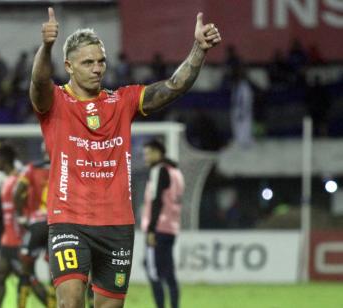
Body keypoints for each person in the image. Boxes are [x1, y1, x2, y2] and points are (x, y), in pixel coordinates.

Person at [30, 7, 221, 307]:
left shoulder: (123, 101)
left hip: (117, 225)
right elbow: (39, 84)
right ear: (68, 66)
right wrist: (47, 47)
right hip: (69, 220)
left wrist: (199, 49)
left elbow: (173, 86)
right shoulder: (55, 102)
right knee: (69, 302)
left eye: (101, 61)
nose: (97, 68)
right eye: (88, 62)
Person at [140, 140, 184, 308]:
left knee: (153, 271)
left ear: (158, 153)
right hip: (171, 228)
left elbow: (156, 200)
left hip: (158, 228)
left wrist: (151, 230)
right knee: (169, 273)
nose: (146, 157)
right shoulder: (176, 172)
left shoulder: (158, 171)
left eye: (148, 153)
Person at [13, 143, 56, 308]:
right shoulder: (65, 166)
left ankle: (22, 303)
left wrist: (21, 217)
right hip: (57, 225)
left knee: (25, 270)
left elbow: (18, 192)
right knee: (56, 274)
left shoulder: (31, 168)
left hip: (37, 223)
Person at [0, 145, 25, 308]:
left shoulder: (18, 180)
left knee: (26, 279)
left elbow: (23, 208)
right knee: (0, 276)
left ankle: (51, 303)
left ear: (3, 160)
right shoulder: (6, 180)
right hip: (7, 238)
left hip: (17, 238)